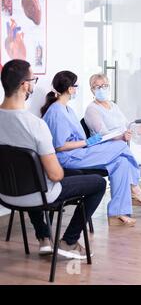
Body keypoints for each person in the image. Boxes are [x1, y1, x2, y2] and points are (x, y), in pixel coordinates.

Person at [0, 59, 106, 259]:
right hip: (40, 194)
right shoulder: (35, 125)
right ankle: (69, 241)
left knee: (33, 174)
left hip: (6, 193)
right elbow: (56, 175)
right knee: (98, 183)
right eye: (34, 79)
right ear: (25, 85)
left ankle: (44, 239)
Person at [41, 71, 141, 226]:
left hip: (79, 153)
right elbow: (59, 147)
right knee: (120, 146)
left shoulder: (67, 109)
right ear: (70, 89)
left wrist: (88, 142)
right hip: (68, 158)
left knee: (121, 163)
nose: (77, 89)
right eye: (76, 86)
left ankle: (117, 214)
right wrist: (87, 142)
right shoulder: (56, 111)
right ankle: (134, 188)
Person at [84, 73, 141, 219]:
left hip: (127, 144)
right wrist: (121, 136)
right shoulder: (92, 110)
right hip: (112, 149)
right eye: (97, 87)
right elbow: (103, 135)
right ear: (92, 90)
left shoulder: (113, 106)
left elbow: (128, 127)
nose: (101, 89)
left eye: (104, 85)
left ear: (109, 86)